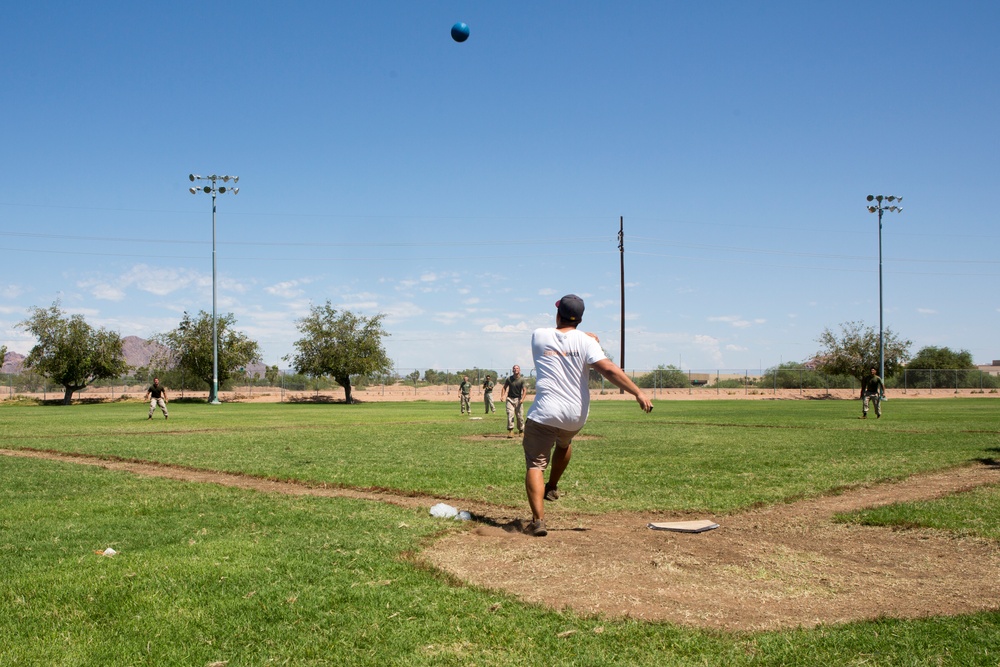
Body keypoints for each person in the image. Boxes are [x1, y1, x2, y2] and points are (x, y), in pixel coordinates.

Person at [521, 295, 652, 537]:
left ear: (558, 314)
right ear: (580, 319)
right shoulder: (587, 342)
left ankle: (538, 521)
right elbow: (609, 369)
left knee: (535, 465)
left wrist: (585, 336)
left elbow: (560, 336)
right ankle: (552, 487)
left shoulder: (539, 335)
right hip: (575, 416)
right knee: (564, 442)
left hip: (545, 412)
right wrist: (637, 392)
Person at [501, 364, 527, 438]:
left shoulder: (522, 380)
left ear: (519, 370)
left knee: (520, 416)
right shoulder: (509, 379)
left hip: (518, 399)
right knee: (510, 414)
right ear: (512, 370)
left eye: (517, 368)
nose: (515, 369)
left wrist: (522, 399)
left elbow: (525, 390)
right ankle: (510, 431)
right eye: (514, 368)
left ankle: (521, 430)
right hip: (510, 399)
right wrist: (502, 396)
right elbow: (504, 387)